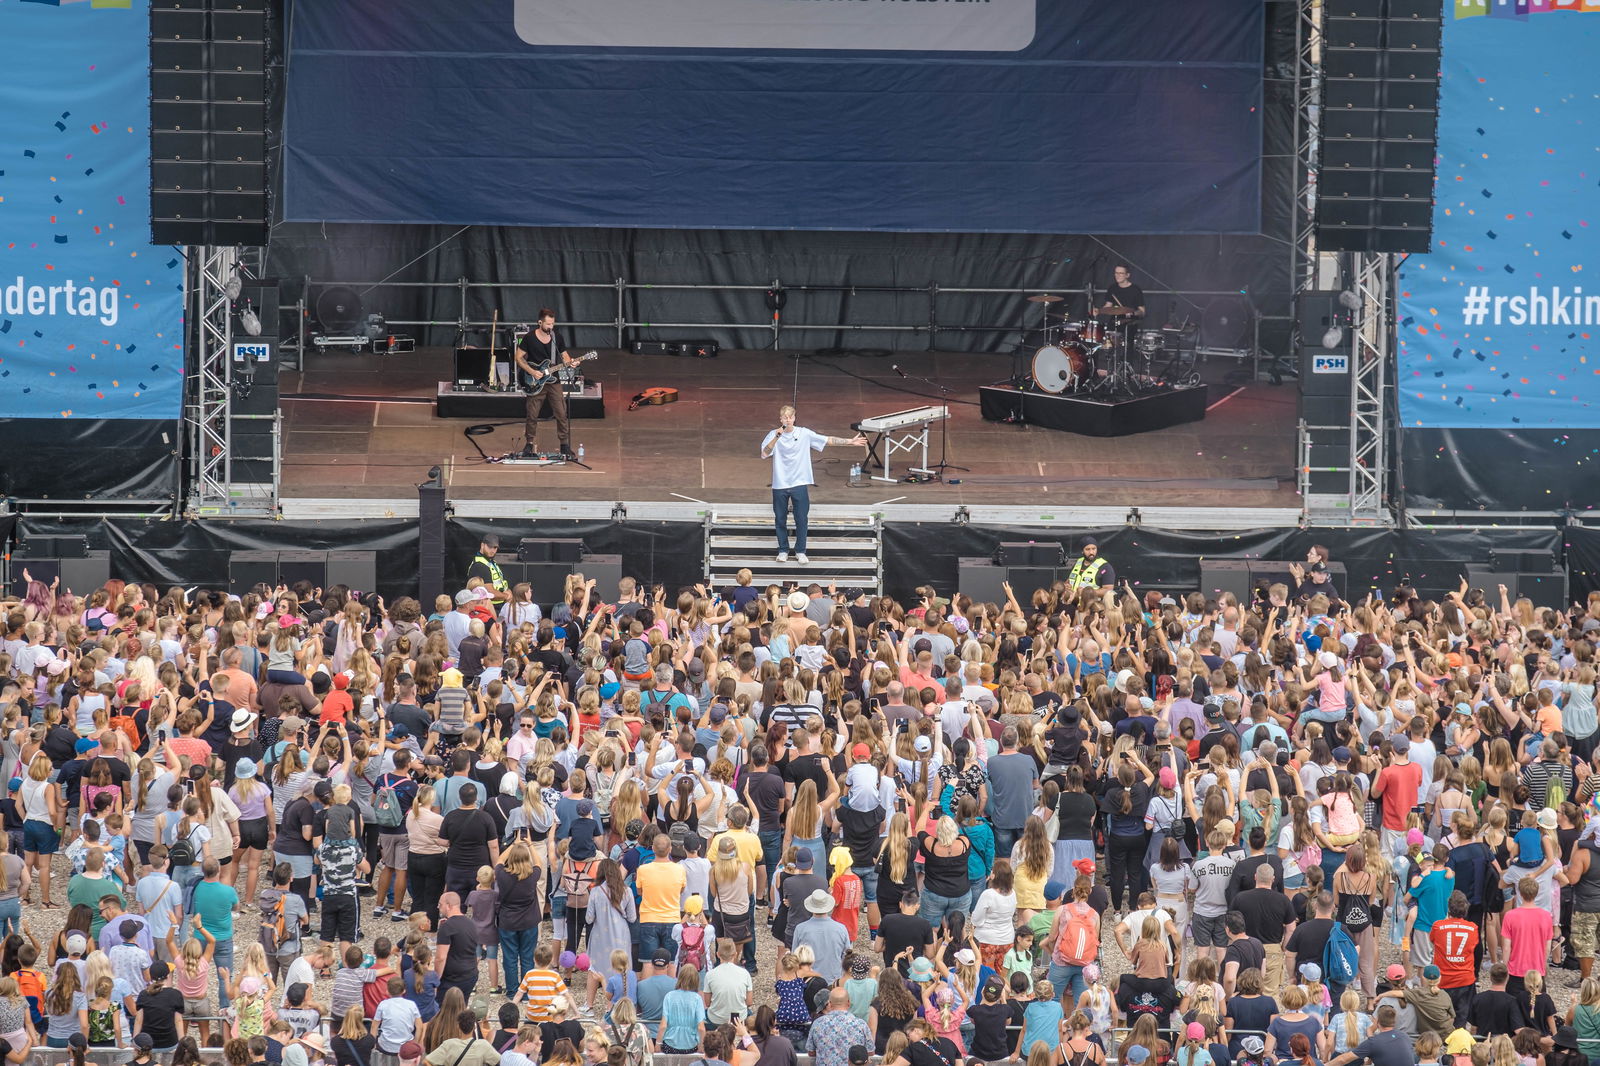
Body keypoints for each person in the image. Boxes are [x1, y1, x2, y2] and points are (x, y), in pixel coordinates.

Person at [759, 405, 866, 564]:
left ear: (794, 418)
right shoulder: (773, 435)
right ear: (780, 419)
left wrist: (850, 441)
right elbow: (764, 454)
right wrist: (776, 437)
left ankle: (800, 551)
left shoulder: (804, 433)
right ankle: (783, 550)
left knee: (801, 518)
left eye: (791, 417)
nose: (788, 420)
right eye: (785, 417)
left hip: (799, 482)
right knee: (780, 518)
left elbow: (827, 440)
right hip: (780, 483)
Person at [513, 309, 579, 459]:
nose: (551, 327)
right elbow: (518, 357)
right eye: (548, 324)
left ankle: (564, 445)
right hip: (535, 381)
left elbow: (564, 355)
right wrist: (532, 371)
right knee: (532, 414)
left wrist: (571, 362)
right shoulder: (529, 338)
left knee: (561, 413)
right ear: (540, 322)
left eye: (553, 324)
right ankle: (529, 443)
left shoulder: (557, 337)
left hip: (553, 380)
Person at [464, 535, 509, 605]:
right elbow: (489, 591)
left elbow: (502, 583)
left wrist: (508, 592)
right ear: (482, 545)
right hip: (488, 607)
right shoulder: (479, 566)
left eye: (495, 547)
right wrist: (507, 596)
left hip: (497, 605)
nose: (492, 550)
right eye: (490, 547)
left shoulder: (491, 562)